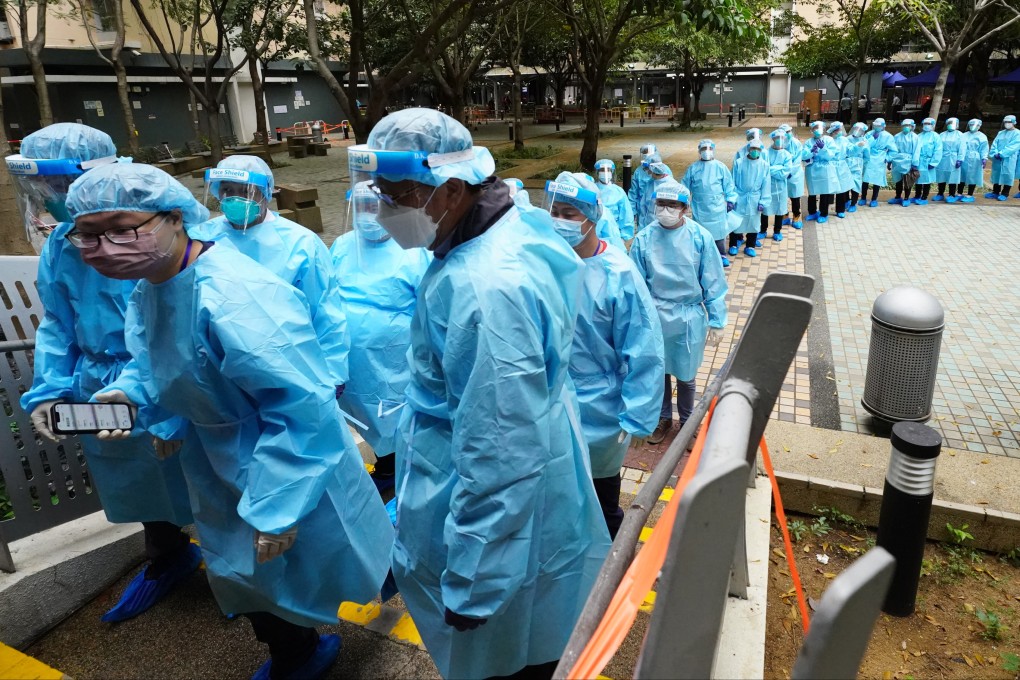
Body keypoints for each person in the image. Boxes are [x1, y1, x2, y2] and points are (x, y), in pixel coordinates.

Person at [66, 163, 393, 679]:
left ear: (176, 217)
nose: (103, 248)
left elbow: (301, 409)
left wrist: (279, 502)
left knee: (308, 564)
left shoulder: (236, 298)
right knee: (245, 571)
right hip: (216, 454)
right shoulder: (155, 284)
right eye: (86, 235)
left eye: (121, 230)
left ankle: (304, 651)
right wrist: (128, 394)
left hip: (279, 459)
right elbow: (157, 361)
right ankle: (293, 650)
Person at [349, 109, 611, 680]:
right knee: (530, 634)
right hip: (532, 460)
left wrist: (474, 579)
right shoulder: (503, 225)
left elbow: (498, 453)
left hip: (497, 500)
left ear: (448, 189)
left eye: (397, 195)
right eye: (380, 192)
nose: (385, 208)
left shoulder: (483, 290)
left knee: (501, 649)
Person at [13, 124, 199, 624]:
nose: (48, 199)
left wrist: (165, 409)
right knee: (133, 481)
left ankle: (240, 582)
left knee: (200, 482)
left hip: (163, 379)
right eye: (39, 189)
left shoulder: (153, 241)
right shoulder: (61, 247)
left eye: (55, 184)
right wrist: (50, 392)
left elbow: (176, 332)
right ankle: (168, 557)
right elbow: (58, 324)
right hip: (98, 382)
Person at [544, 173, 664, 537]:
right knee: (560, 493)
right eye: (555, 212)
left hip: (602, 409)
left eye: (569, 214)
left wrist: (639, 415)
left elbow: (644, 350)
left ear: (592, 217)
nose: (560, 221)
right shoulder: (548, 263)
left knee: (602, 497)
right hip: (551, 400)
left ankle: (611, 568)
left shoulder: (619, 273)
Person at [190, 155, 350, 392]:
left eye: (246, 191)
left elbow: (325, 312)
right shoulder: (201, 237)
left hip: (287, 363)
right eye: (227, 190)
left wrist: (333, 373)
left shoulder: (301, 243)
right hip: (218, 364)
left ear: (265, 192)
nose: (235, 198)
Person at [330, 182, 431, 495]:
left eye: (374, 207)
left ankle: (404, 475)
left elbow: (431, 313)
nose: (367, 215)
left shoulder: (415, 250)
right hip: (351, 367)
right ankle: (387, 467)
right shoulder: (343, 245)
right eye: (360, 207)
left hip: (395, 367)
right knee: (364, 420)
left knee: (401, 425)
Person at [630, 179, 727, 447]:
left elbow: (713, 281)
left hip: (687, 317)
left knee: (686, 376)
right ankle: (662, 418)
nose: (666, 210)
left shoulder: (700, 238)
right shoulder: (644, 238)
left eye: (673, 205)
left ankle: (686, 423)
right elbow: (635, 284)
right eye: (661, 204)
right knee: (658, 371)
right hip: (655, 314)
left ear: (685, 208)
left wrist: (717, 320)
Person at [682, 139, 737, 267]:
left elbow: (729, 186)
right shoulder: (693, 168)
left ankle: (722, 255)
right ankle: (701, 255)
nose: (706, 152)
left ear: (713, 150)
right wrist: (683, 202)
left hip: (717, 206)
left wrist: (731, 200)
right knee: (700, 233)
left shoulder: (720, 167)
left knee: (719, 233)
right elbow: (685, 187)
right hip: (699, 206)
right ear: (699, 151)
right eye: (703, 149)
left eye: (709, 149)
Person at [729, 138, 770, 257]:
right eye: (753, 149)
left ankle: (750, 245)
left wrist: (763, 201)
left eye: (757, 149)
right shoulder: (739, 163)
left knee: (753, 221)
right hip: (740, 196)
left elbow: (766, 184)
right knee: (736, 220)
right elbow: (732, 181)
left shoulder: (764, 165)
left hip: (755, 198)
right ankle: (733, 243)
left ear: (761, 150)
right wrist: (731, 199)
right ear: (748, 149)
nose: (755, 151)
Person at [802, 121, 839, 223]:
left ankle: (823, 213)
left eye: (819, 128)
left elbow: (831, 155)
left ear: (823, 129)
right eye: (815, 128)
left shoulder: (829, 140)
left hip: (825, 168)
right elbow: (803, 155)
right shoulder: (809, 142)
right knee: (812, 192)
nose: (817, 130)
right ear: (812, 130)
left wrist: (824, 148)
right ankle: (812, 212)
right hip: (812, 168)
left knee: (825, 192)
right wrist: (811, 152)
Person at [762, 130, 793, 241]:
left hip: (781, 187)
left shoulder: (787, 155)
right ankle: (763, 230)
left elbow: (785, 172)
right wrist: (778, 168)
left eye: (782, 138)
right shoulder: (765, 153)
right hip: (767, 186)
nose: (779, 140)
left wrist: (772, 169)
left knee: (780, 209)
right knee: (765, 208)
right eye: (777, 138)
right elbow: (764, 169)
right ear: (773, 139)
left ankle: (777, 231)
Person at [594, 158, 636, 240]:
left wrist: (624, 236)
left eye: (608, 170)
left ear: (612, 172)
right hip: (594, 233)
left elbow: (626, 214)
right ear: (597, 172)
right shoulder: (592, 189)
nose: (605, 173)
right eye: (602, 170)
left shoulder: (618, 191)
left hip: (614, 233)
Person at [861, 118, 896, 207]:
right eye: (875, 125)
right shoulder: (869, 134)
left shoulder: (888, 136)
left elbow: (893, 150)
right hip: (869, 157)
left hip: (880, 158)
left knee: (877, 180)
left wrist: (887, 158)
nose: (876, 127)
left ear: (884, 126)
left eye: (879, 126)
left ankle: (874, 199)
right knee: (865, 179)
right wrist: (872, 138)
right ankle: (863, 198)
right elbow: (864, 145)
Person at [986, 114, 1020, 201]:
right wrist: (995, 153)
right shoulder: (1001, 133)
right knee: (997, 174)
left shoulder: (1017, 133)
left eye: (1009, 122)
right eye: (1005, 122)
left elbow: (1014, 146)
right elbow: (994, 144)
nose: (1007, 123)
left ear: (1014, 123)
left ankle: (1005, 193)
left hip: (1009, 158)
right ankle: (995, 192)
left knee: (1008, 174)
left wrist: (1002, 154)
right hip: (997, 158)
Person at [911, 117, 943, 205]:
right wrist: (914, 161)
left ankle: (924, 197)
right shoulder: (919, 136)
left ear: (933, 125)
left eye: (929, 124)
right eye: (925, 124)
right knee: (918, 179)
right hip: (919, 160)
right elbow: (915, 149)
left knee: (927, 180)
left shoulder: (936, 136)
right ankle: (917, 196)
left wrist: (934, 162)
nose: (926, 126)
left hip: (928, 161)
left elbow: (938, 150)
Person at [628, 143, 659, 232]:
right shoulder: (638, 172)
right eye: (644, 152)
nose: (646, 154)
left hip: (659, 210)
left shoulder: (664, 170)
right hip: (642, 212)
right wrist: (632, 212)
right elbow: (633, 194)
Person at [888, 118, 919, 207]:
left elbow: (917, 151)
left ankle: (906, 198)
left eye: (908, 126)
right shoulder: (897, 136)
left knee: (907, 180)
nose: (906, 127)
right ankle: (897, 197)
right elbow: (892, 149)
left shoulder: (915, 137)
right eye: (904, 126)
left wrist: (914, 163)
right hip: (897, 160)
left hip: (909, 160)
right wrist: (890, 160)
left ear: (912, 127)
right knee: (898, 180)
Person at [779, 124, 806, 228]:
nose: (788, 134)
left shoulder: (796, 143)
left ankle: (796, 216)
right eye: (785, 132)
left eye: (789, 131)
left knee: (795, 197)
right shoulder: (780, 143)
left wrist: (790, 171)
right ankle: (784, 216)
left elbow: (797, 159)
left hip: (794, 174)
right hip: (783, 174)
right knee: (783, 196)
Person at [934, 117, 965, 202]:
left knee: (953, 176)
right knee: (941, 175)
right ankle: (940, 193)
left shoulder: (960, 135)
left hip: (954, 158)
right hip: (943, 157)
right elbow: (938, 147)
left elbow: (962, 148)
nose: (950, 125)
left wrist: (960, 159)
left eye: (952, 123)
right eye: (949, 123)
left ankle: (952, 194)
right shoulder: (942, 134)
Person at [635, 161, 672, 231]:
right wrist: (641, 228)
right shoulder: (650, 184)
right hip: (648, 225)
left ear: (654, 171)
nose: (648, 173)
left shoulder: (672, 185)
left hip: (664, 227)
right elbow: (643, 207)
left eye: (649, 171)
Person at [958, 119, 989, 202]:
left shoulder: (982, 136)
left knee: (972, 176)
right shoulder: (964, 135)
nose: (972, 127)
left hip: (975, 158)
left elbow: (984, 149)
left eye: (975, 125)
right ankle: (959, 193)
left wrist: (984, 158)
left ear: (979, 126)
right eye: (971, 125)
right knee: (961, 175)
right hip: (963, 157)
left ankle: (969, 195)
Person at [826, 121, 853, 217]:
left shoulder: (844, 140)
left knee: (841, 188)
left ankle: (840, 210)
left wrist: (858, 147)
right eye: (838, 130)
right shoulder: (828, 139)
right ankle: (824, 210)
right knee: (829, 187)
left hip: (841, 166)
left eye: (840, 129)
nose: (840, 132)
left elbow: (851, 150)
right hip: (830, 165)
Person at [845, 122, 870, 212]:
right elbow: (845, 151)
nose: (857, 131)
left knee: (856, 184)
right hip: (847, 162)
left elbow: (867, 155)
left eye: (859, 130)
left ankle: (853, 203)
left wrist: (864, 165)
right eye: (856, 129)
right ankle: (846, 200)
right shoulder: (847, 139)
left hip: (858, 164)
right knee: (846, 183)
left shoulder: (864, 141)